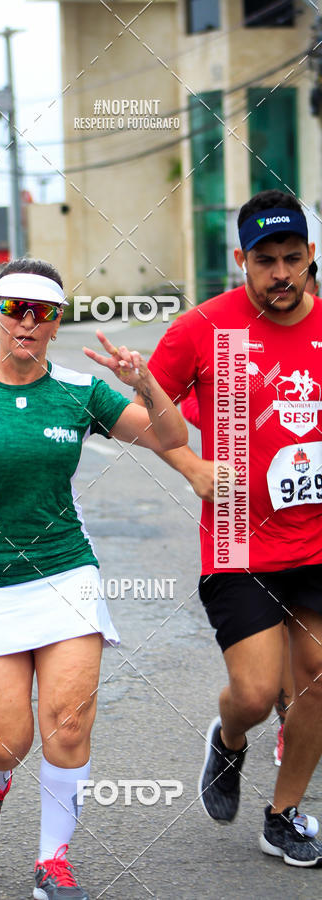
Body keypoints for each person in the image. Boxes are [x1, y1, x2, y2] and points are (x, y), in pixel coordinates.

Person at [0, 258, 187, 900]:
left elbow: (173, 436)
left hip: (66, 570)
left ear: (57, 322)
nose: (27, 323)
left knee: (68, 725)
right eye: (15, 310)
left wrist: (146, 384)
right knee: (5, 741)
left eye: (42, 312)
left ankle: (52, 863)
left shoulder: (79, 391)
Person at [143, 189, 322, 864]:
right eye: (266, 260)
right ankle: (231, 738)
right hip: (239, 539)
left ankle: (284, 814)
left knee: (316, 677)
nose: (280, 273)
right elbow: (146, 415)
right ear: (242, 259)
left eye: (293, 258)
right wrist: (191, 463)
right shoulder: (201, 329)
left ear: (310, 259)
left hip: (318, 539)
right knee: (253, 692)